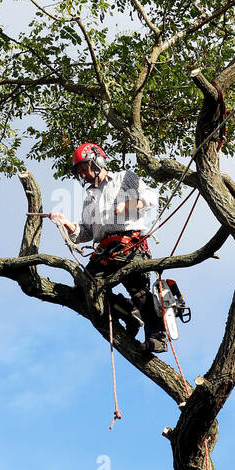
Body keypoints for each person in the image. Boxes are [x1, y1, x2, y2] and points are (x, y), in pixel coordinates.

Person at [47, 142, 168, 354]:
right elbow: (85, 232)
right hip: (105, 250)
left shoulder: (123, 179)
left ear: (97, 160)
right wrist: (65, 222)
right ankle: (128, 312)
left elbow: (152, 197)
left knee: (139, 291)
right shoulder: (90, 197)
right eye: (80, 172)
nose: (83, 175)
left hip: (130, 244)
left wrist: (131, 204)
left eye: (85, 168)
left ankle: (157, 338)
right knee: (84, 285)